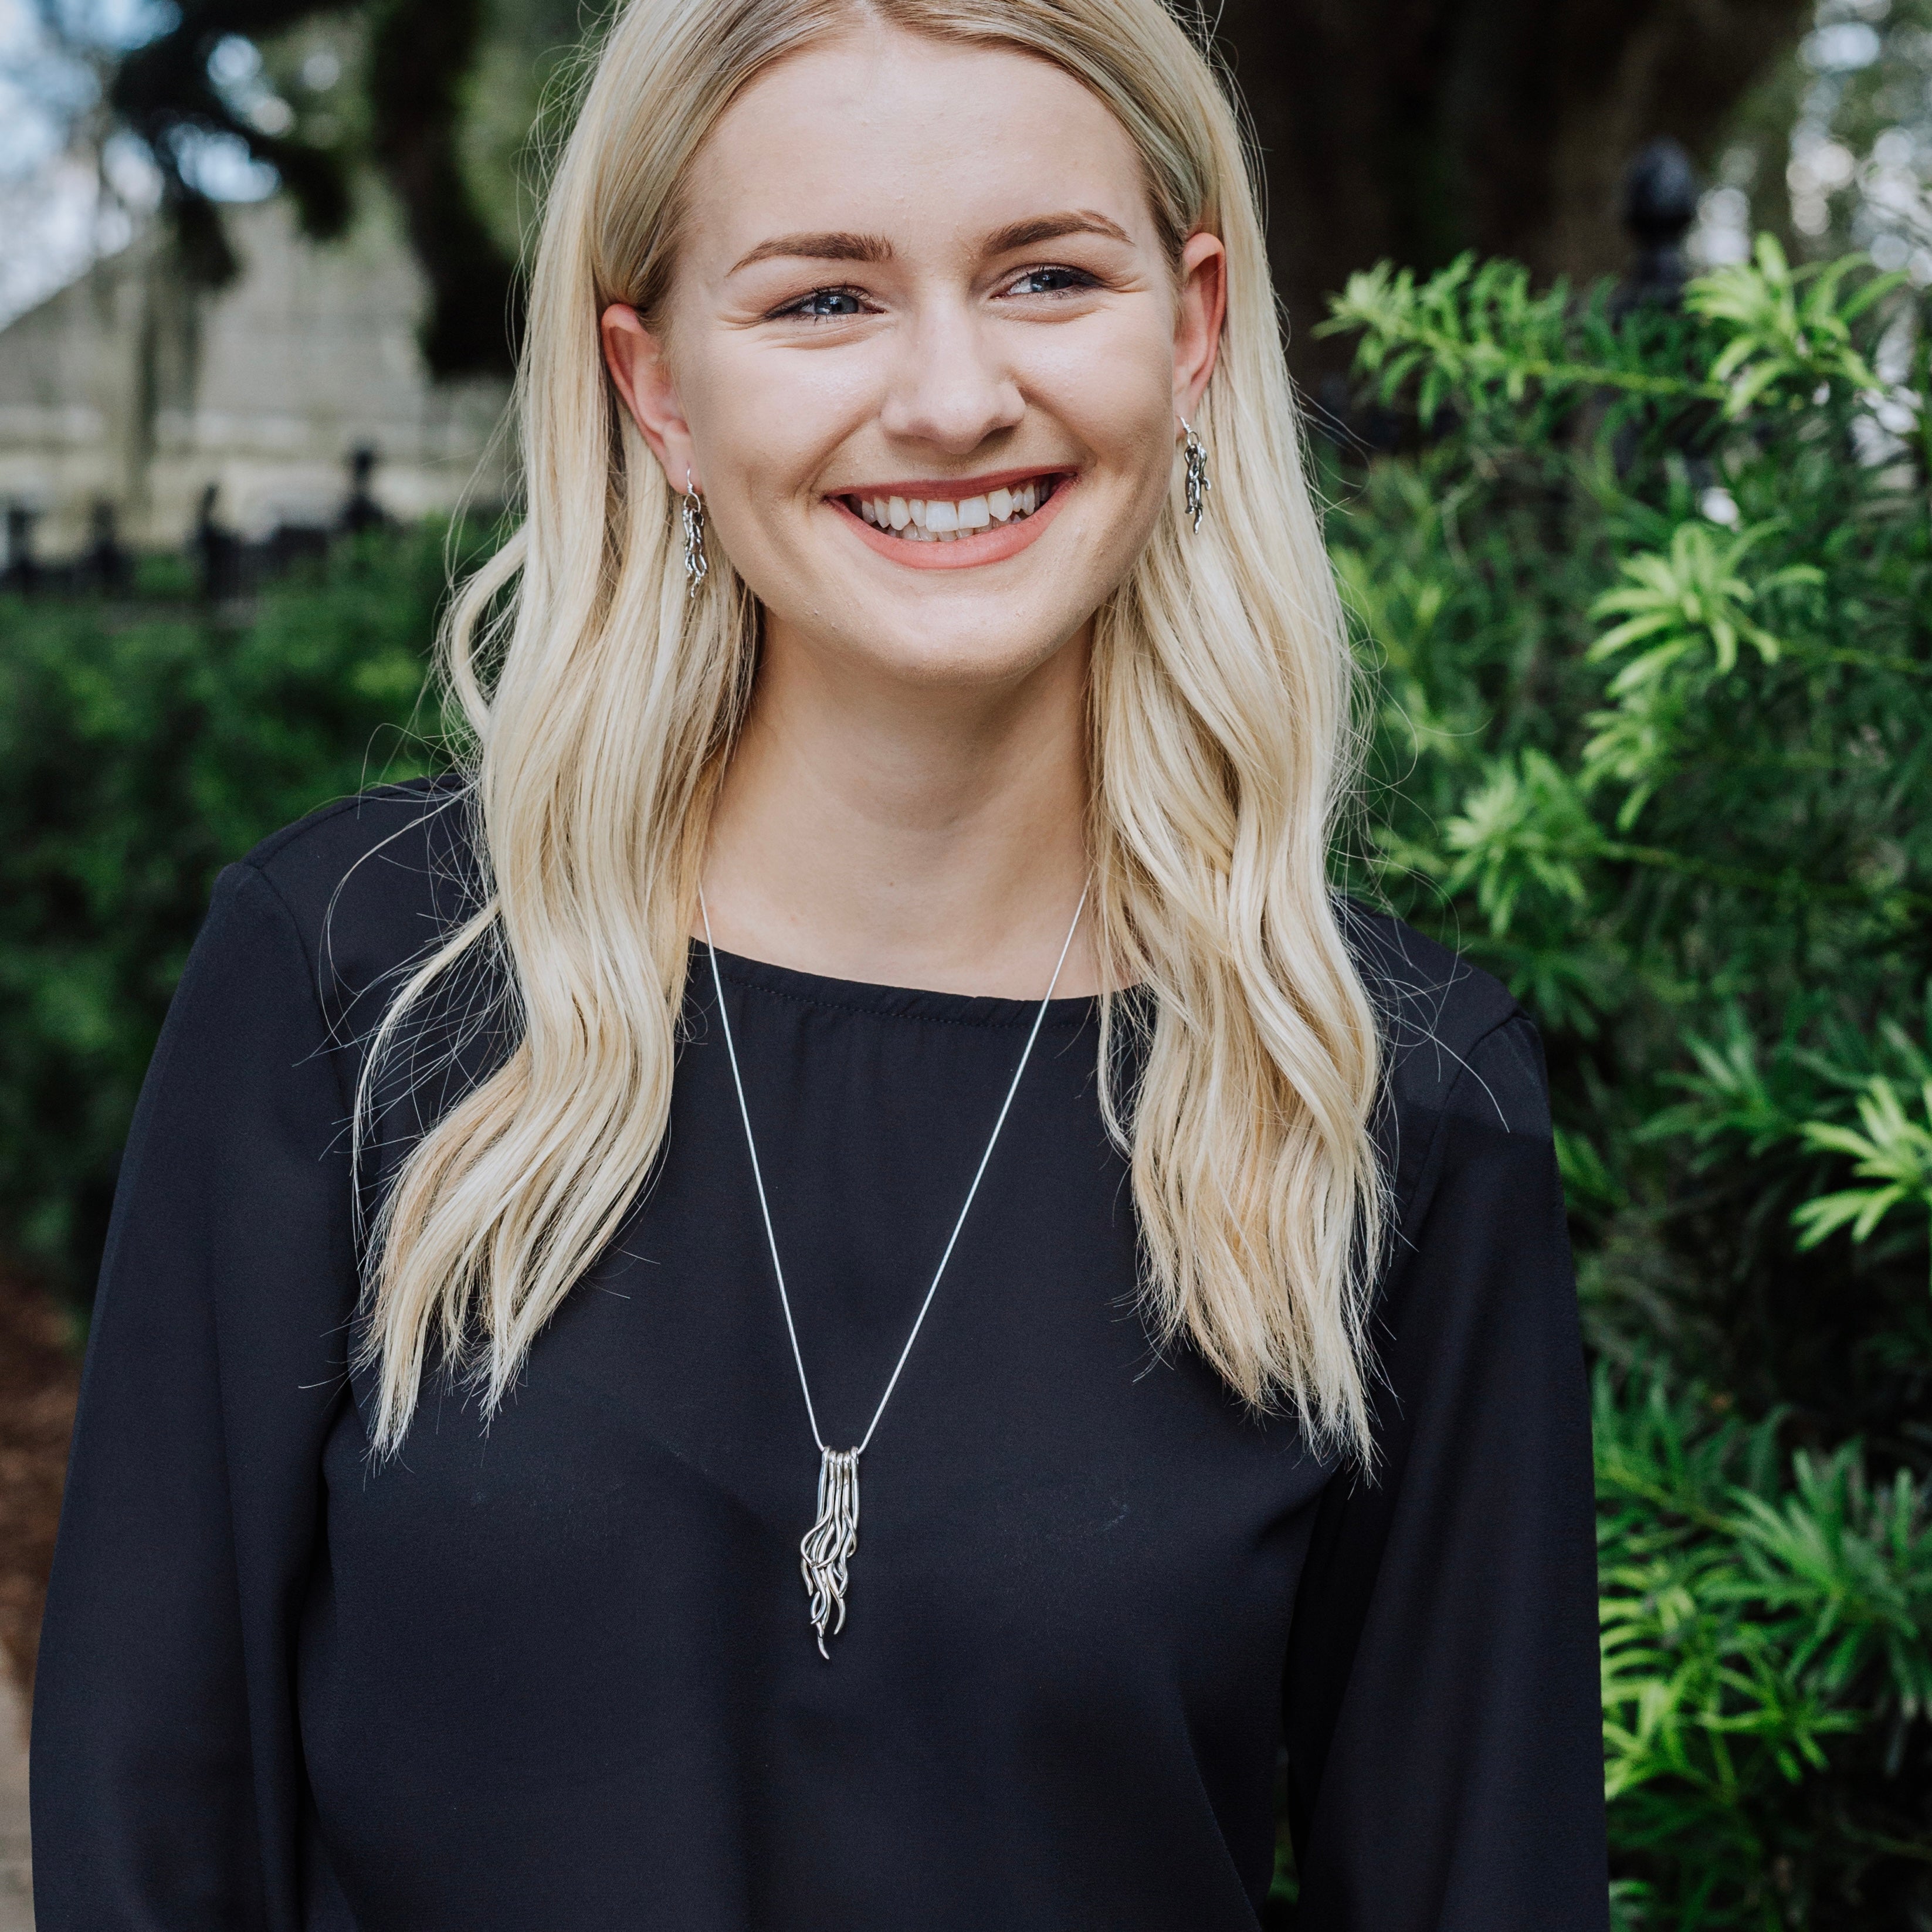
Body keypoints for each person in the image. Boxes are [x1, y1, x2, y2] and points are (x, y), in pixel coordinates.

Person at [32, 2, 1608, 1926]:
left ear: (1193, 334)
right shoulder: (360, 989)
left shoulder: (1389, 1099)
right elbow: (152, 1820)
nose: (951, 397)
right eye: (823, 301)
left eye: (1045, 274)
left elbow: (1476, 1879)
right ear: (658, 387)